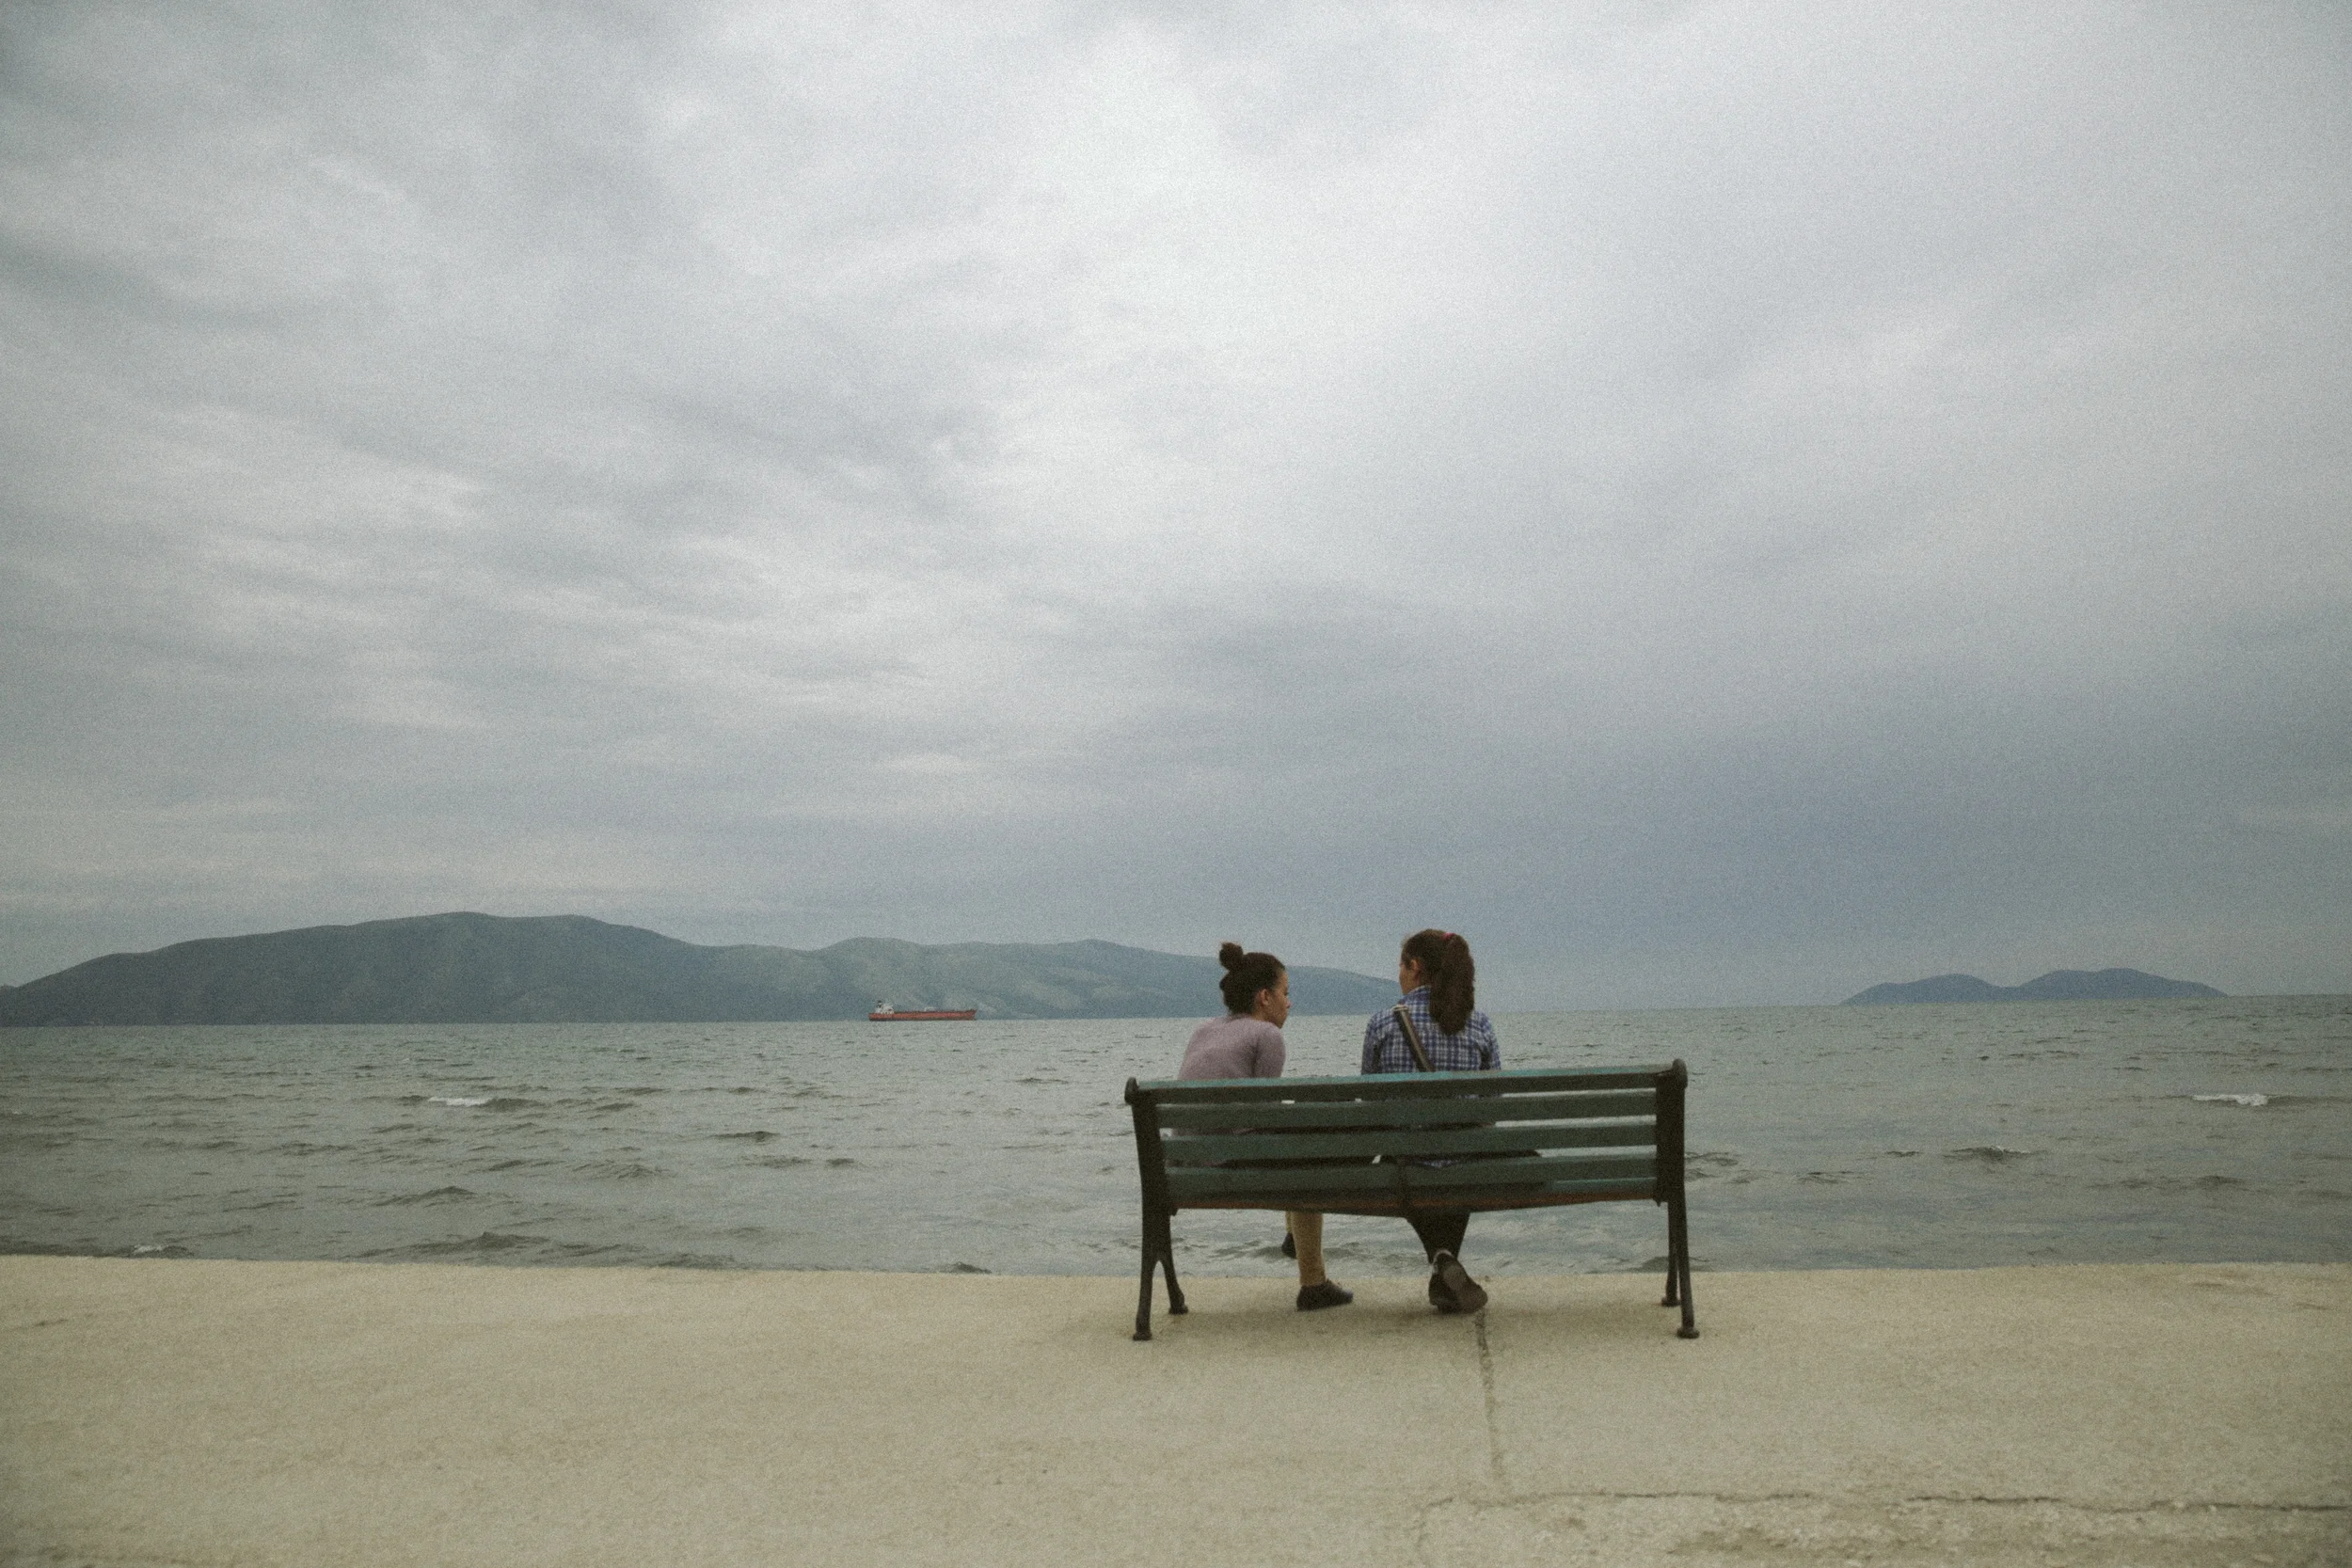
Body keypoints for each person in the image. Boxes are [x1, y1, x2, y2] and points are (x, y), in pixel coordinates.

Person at [1178, 942, 1354, 1311]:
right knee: (1308, 1165)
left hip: (1186, 1164)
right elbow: (1266, 1115)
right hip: (1229, 1163)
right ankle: (1313, 1283)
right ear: (1264, 998)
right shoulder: (1267, 1035)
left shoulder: (1203, 1029)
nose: (1289, 1003)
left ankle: (1294, 1237)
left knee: (1293, 1145)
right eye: (1285, 993)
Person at [1361, 927, 1500, 1314]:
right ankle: (1445, 1267)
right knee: (1460, 1160)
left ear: (1415, 967)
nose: (1399, 977)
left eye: (1401, 968)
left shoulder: (1381, 1023)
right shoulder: (1479, 1024)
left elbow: (1369, 1103)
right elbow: (1493, 1102)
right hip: (1465, 1160)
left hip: (1406, 1161)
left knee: (1407, 1162)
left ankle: (1441, 1262)